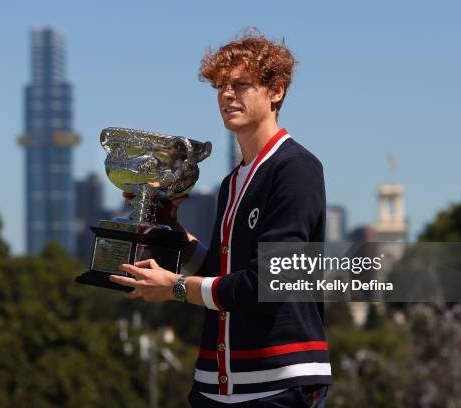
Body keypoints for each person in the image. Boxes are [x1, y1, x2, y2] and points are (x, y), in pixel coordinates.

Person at [110, 32, 331, 407]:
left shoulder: (296, 169)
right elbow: (222, 271)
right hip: (215, 385)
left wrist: (177, 287)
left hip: (278, 385)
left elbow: (267, 282)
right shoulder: (232, 182)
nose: (228, 95)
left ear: (276, 91)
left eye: (241, 85)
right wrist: (171, 230)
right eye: (221, 86)